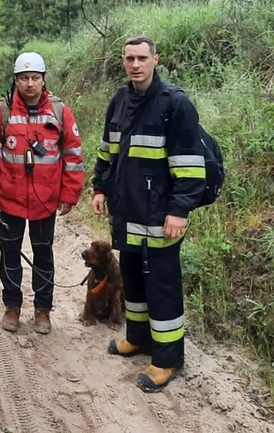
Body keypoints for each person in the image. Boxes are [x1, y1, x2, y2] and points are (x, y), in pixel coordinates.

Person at [91, 35, 206, 393]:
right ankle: (138, 338)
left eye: (142, 58)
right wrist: (99, 186)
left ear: (156, 59)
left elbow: (189, 164)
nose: (135, 64)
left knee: (163, 286)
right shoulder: (119, 100)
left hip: (161, 218)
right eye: (129, 58)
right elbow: (108, 150)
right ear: (123, 62)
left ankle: (168, 359)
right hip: (127, 213)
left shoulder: (176, 104)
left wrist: (179, 210)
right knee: (133, 281)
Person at [0, 52, 84, 335]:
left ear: (43, 80)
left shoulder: (61, 112)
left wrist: (69, 194)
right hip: (9, 201)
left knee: (43, 254)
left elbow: (73, 155)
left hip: (45, 202)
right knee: (9, 253)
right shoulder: (0, 112)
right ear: (15, 80)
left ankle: (42, 310)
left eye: (35, 78)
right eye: (24, 78)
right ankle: (12, 307)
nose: (29, 84)